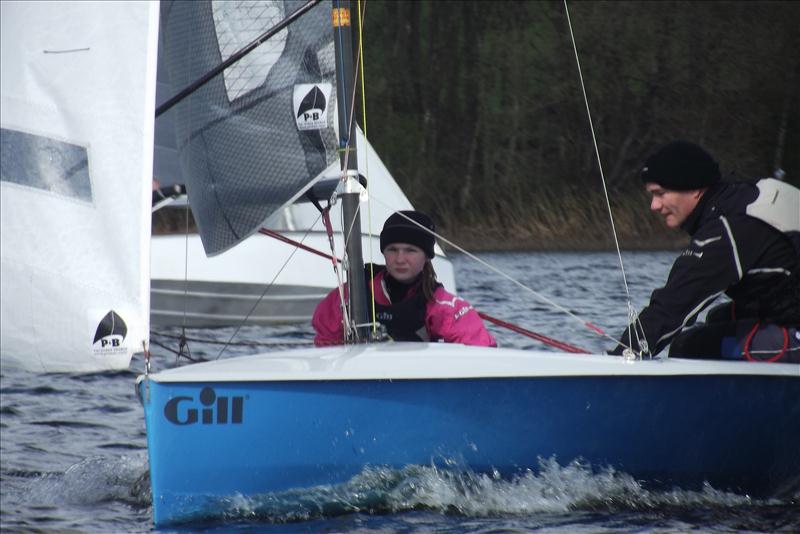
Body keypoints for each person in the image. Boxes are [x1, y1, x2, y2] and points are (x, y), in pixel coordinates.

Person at [609, 140, 800, 362]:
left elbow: (672, 306)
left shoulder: (728, 230)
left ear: (694, 189)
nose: (654, 205)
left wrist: (620, 358)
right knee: (720, 318)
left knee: (690, 346)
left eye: (660, 193)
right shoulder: (746, 197)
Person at [313, 210, 497, 347]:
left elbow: (482, 350)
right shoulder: (351, 294)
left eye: (410, 250)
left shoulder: (442, 305)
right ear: (383, 253)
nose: (400, 259)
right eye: (392, 250)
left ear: (426, 256)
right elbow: (324, 341)